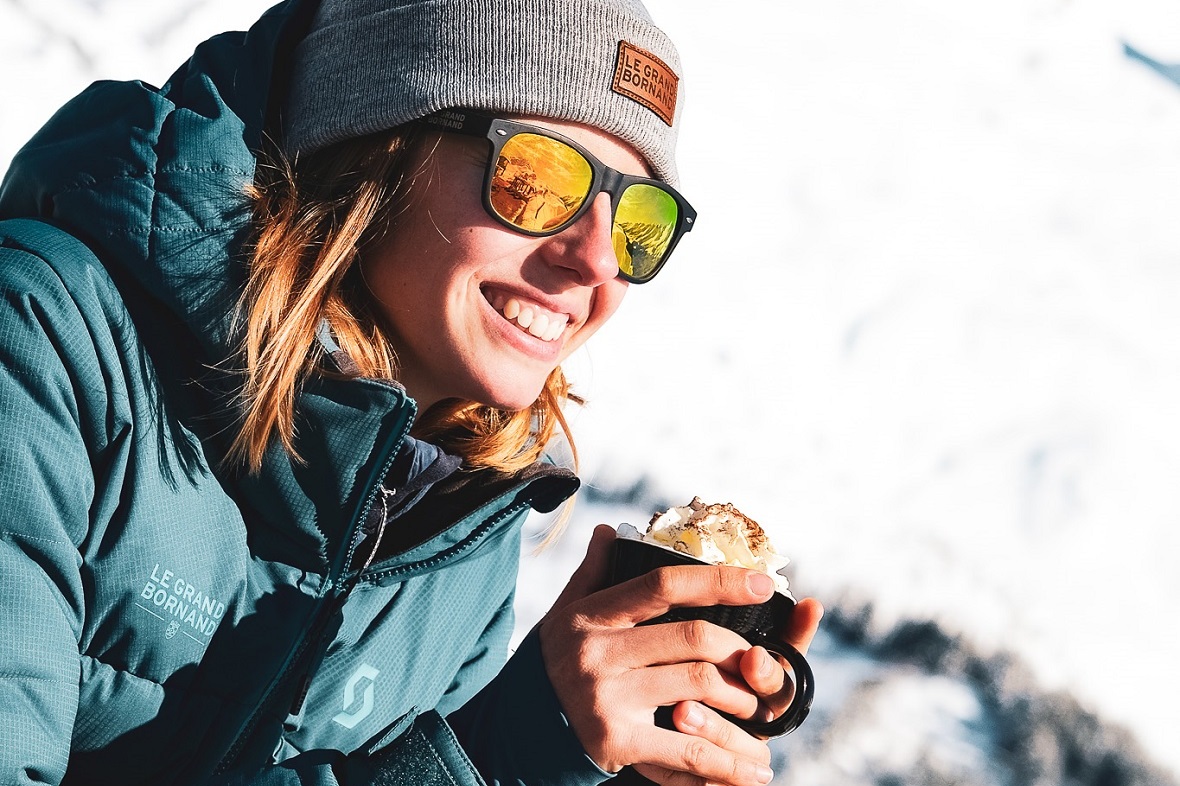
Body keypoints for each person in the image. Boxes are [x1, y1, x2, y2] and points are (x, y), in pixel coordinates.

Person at [0, 0, 823, 784]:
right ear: (375, 146)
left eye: (641, 220)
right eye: (537, 179)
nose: (599, 261)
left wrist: (596, 761)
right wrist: (503, 756)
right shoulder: (44, 338)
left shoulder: (467, 505)